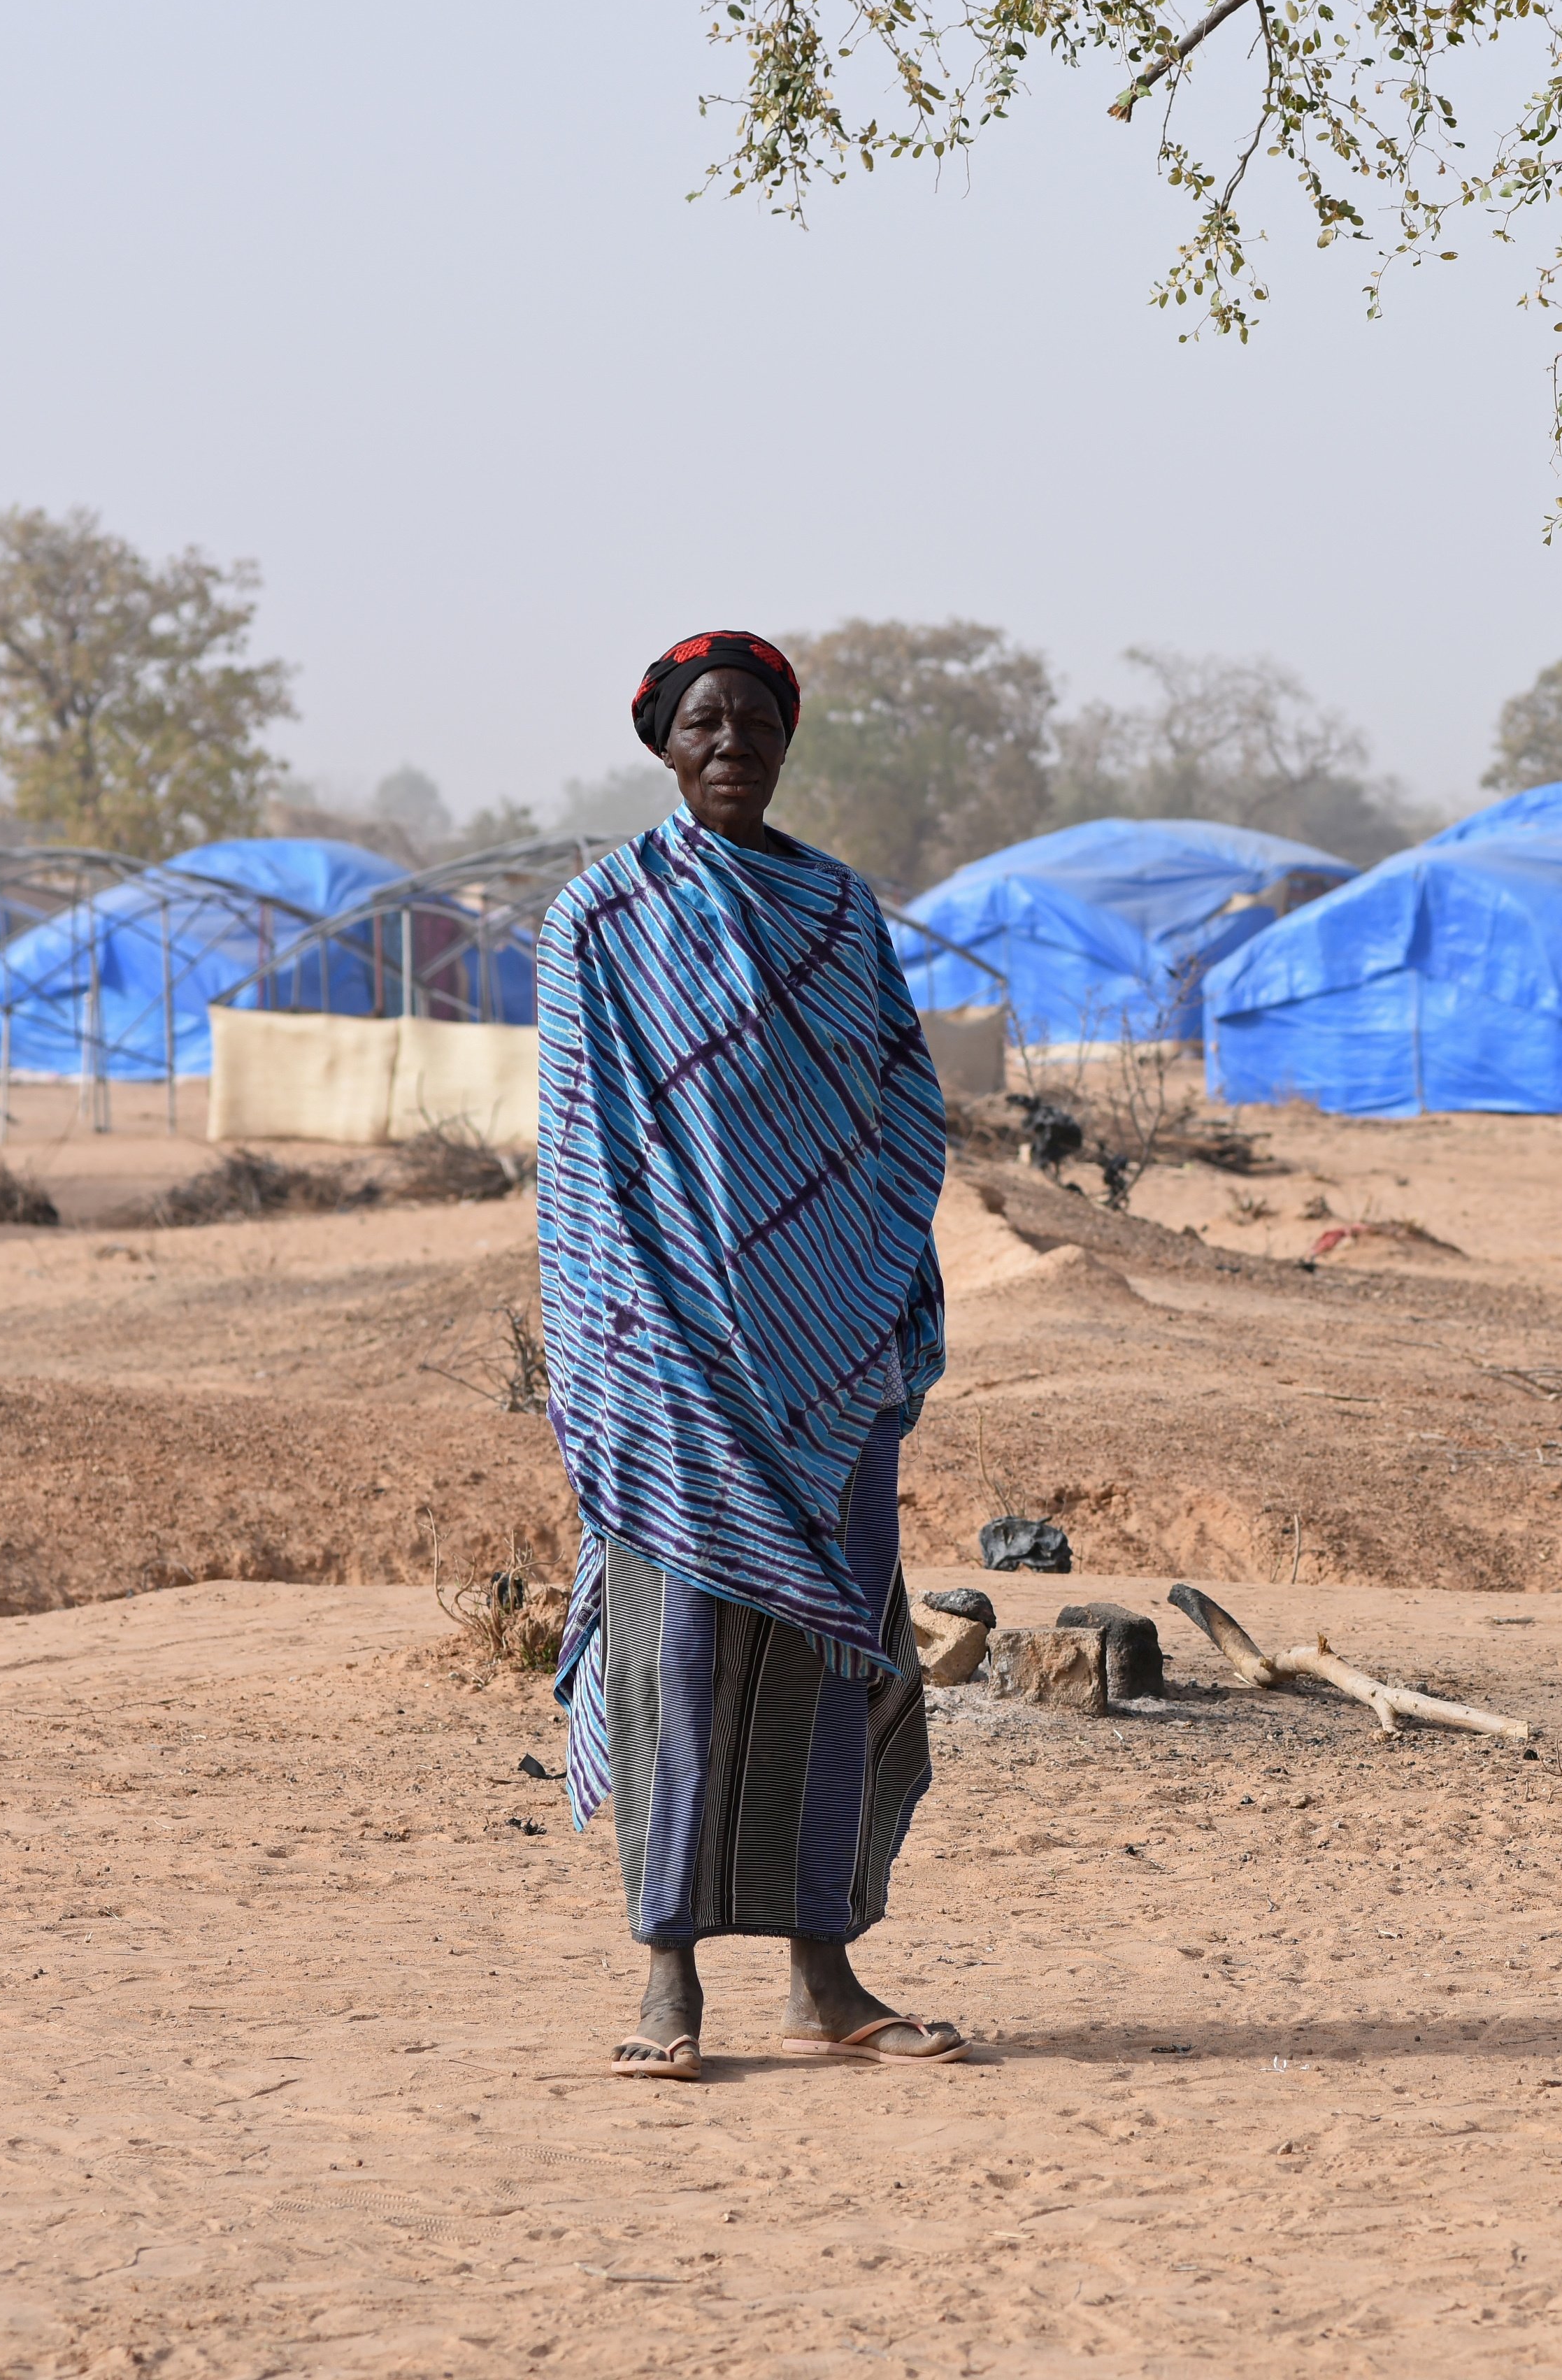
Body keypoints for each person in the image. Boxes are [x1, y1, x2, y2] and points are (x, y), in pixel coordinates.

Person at [537, 629, 968, 2079]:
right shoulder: (596, 922)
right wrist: (622, 1342)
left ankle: (824, 1975)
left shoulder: (840, 916)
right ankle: (667, 1983)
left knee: (826, 1668)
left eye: (756, 723)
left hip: (829, 1367)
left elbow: (902, 1121)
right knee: (678, 1669)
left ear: (787, 742)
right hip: (667, 1364)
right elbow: (582, 1165)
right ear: (663, 744)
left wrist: (888, 1306)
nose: (731, 744)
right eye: (703, 724)